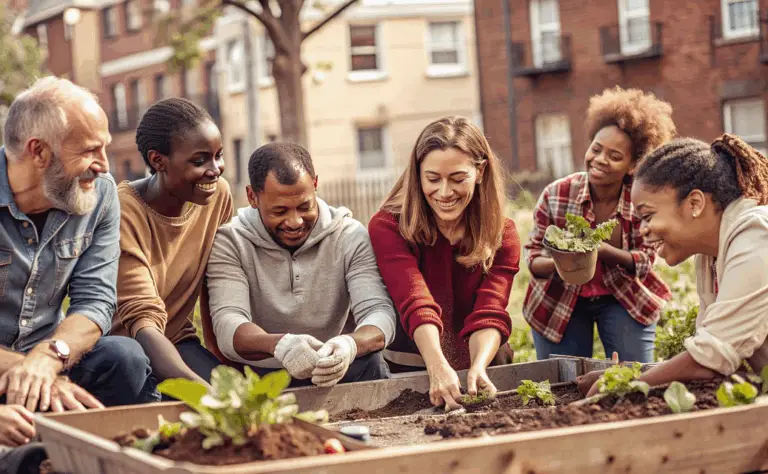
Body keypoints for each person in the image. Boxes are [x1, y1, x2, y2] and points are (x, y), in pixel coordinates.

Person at [0, 76, 156, 414]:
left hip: (53, 358)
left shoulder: (99, 194)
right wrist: (28, 371)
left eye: (104, 147)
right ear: (38, 151)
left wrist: (48, 358)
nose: (103, 165)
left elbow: (95, 301)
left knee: (124, 358)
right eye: (89, 150)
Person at [581, 134, 768, 396]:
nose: (642, 230)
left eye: (648, 216)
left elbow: (710, 358)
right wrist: (630, 373)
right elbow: (708, 352)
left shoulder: (757, 234)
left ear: (694, 203)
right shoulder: (710, 255)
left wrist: (624, 383)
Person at [205, 142, 396, 387]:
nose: (294, 222)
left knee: (374, 363)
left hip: (337, 369)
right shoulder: (231, 241)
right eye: (280, 211)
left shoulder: (349, 235)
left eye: (305, 207)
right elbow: (228, 324)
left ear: (315, 185)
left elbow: (379, 312)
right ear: (253, 197)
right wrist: (281, 345)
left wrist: (349, 345)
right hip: (263, 376)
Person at [368, 116, 521, 411]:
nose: (445, 192)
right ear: (418, 175)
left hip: (483, 362)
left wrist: (476, 368)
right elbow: (415, 299)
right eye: (433, 179)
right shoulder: (387, 227)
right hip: (411, 364)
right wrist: (437, 365)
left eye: (457, 178)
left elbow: (490, 309)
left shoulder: (503, 234)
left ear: (479, 171)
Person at [524, 87, 676, 363]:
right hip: (558, 299)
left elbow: (647, 260)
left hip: (624, 296)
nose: (600, 160)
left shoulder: (641, 200)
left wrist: (603, 251)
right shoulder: (557, 193)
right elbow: (532, 258)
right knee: (562, 381)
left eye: (615, 156)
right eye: (596, 149)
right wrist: (563, 262)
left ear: (633, 165)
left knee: (633, 375)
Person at [111, 98, 233, 385]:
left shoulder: (217, 195)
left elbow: (214, 286)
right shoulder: (123, 210)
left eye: (219, 155)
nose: (215, 169)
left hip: (177, 341)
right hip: (126, 349)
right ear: (157, 160)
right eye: (199, 160)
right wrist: (201, 391)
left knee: (231, 391)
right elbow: (142, 320)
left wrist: (220, 363)